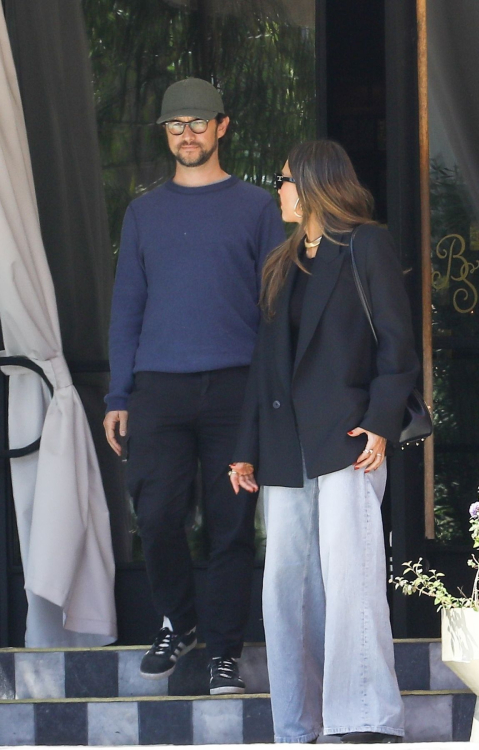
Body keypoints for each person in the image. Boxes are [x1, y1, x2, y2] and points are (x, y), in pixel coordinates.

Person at [230, 140, 420, 741]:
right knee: (287, 587)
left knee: (350, 578)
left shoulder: (366, 243)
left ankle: (363, 718)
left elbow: (398, 344)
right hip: (287, 446)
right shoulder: (285, 259)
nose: (277, 189)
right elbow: (266, 364)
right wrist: (246, 445)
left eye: (283, 179)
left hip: (348, 439)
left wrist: (384, 423)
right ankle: (298, 723)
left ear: (313, 182)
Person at [103, 77, 285, 694]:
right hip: (158, 389)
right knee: (155, 515)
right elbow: (127, 308)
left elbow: (274, 309)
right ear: (166, 133)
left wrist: (270, 398)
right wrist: (118, 395)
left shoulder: (260, 207)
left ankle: (225, 653)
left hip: (235, 389)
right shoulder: (143, 211)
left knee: (232, 526)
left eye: (198, 123)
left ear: (222, 126)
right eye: (175, 125)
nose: (187, 134)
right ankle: (181, 623)